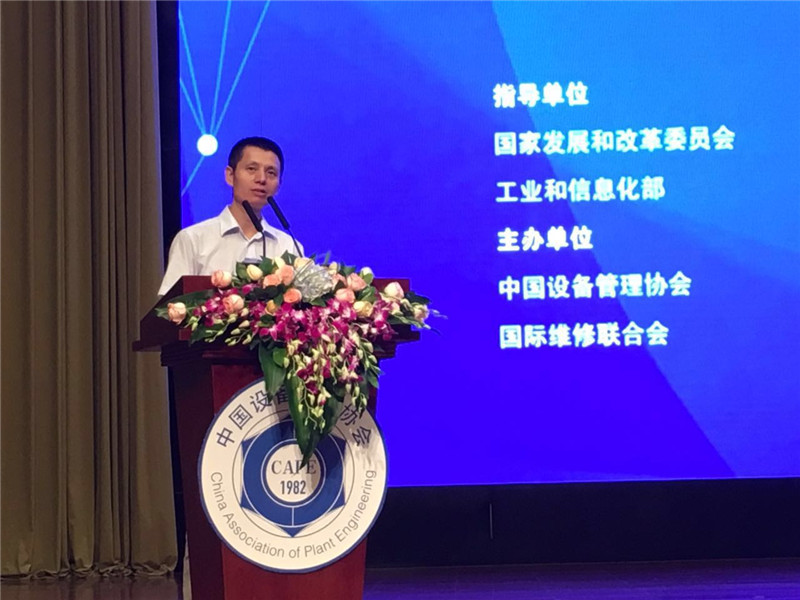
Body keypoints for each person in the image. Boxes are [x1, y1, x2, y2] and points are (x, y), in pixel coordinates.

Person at [158, 136, 301, 296]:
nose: (261, 179)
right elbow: (170, 305)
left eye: (271, 173)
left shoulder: (288, 245)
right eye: (252, 169)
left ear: (279, 185)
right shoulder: (193, 239)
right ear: (230, 176)